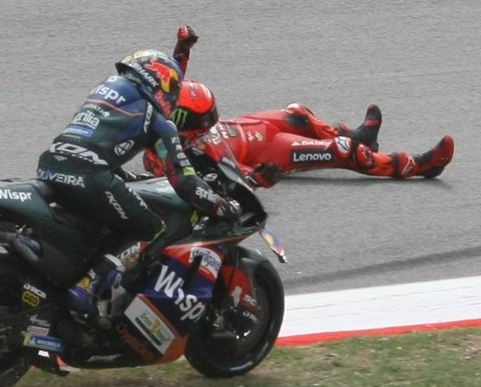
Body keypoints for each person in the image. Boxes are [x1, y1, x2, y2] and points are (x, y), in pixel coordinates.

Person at [35, 27, 239, 328]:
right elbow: (184, 182)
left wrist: (181, 52)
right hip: (90, 176)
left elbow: (97, 144)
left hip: (50, 165)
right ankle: (86, 288)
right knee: (151, 227)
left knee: (106, 221)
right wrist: (219, 204)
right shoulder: (159, 122)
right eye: (172, 89)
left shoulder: (106, 90)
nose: (174, 96)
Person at [146, 89, 455, 183]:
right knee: (345, 150)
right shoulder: (195, 156)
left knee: (298, 112)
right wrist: (259, 176)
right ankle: (414, 165)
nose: (211, 118)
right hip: (270, 148)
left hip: (252, 125)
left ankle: (363, 137)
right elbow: (234, 175)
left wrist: (183, 49)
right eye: (206, 117)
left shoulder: (168, 126)